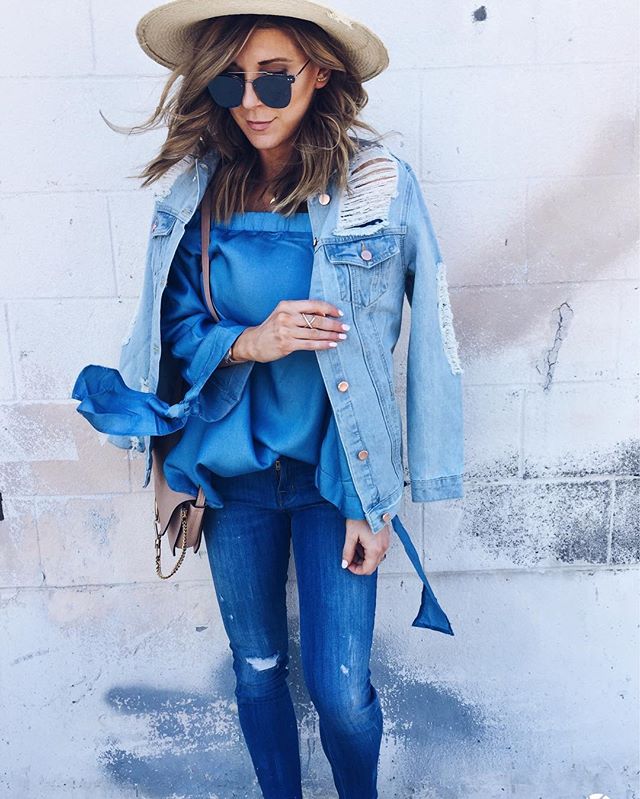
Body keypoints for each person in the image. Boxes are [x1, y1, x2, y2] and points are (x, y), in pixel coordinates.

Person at [71, 2, 465, 796]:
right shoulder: (196, 189)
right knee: (256, 672)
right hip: (231, 479)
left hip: (336, 481)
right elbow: (169, 326)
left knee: (340, 691)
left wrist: (384, 495)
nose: (251, 100)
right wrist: (251, 340)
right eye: (229, 82)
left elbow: (434, 334)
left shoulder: (377, 183)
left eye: (274, 78)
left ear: (318, 74)